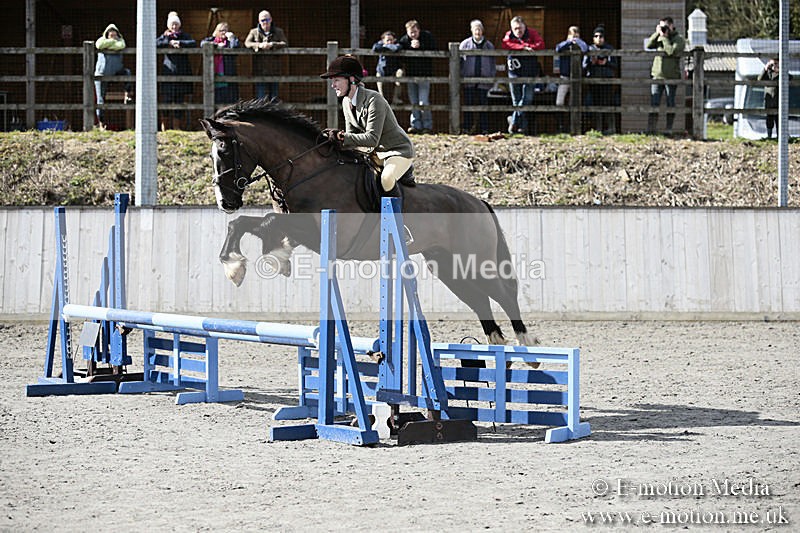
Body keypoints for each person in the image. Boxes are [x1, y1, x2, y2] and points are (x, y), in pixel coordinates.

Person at [320, 55, 415, 197]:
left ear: (352, 79)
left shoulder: (374, 99)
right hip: (374, 153)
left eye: (336, 80)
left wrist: (342, 136)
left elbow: (372, 138)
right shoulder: (346, 102)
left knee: (386, 179)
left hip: (396, 151)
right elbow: (351, 135)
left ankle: (394, 219)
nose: (333, 85)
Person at [502, 16, 545, 135]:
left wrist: (530, 47)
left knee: (527, 99)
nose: (518, 31)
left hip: (530, 72)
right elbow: (506, 44)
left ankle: (513, 120)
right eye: (515, 29)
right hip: (514, 73)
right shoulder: (509, 34)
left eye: (520, 28)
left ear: (524, 27)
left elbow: (541, 44)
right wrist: (523, 48)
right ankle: (522, 128)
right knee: (516, 100)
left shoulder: (532, 33)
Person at [156, 11, 196, 130]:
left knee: (179, 99)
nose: (174, 27)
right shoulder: (165, 36)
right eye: (172, 25)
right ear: (168, 25)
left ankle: (177, 127)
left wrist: (180, 42)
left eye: (176, 24)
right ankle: (165, 127)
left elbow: (193, 43)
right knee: (167, 100)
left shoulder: (184, 36)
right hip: (168, 72)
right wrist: (168, 41)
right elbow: (156, 43)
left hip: (182, 71)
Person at [646, 16, 685, 134]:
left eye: (665, 26)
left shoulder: (678, 39)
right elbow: (649, 45)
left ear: (672, 26)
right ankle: (651, 129)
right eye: (661, 26)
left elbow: (671, 51)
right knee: (654, 103)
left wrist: (664, 38)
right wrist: (657, 33)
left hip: (671, 77)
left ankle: (669, 129)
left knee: (670, 103)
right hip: (657, 75)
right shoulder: (659, 36)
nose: (664, 29)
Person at [398, 20, 436, 134]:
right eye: (411, 32)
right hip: (411, 75)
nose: (413, 35)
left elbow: (434, 49)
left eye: (415, 32)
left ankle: (427, 126)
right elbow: (400, 56)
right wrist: (409, 48)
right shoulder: (404, 40)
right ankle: (416, 126)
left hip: (424, 74)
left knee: (423, 102)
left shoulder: (427, 36)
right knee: (413, 101)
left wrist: (420, 46)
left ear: (418, 30)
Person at [459, 19, 496, 134]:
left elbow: (493, 62)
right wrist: (461, 76)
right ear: (471, 30)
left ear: (482, 30)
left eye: (479, 29)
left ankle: (484, 129)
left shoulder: (489, 46)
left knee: (483, 106)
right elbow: (458, 63)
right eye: (475, 29)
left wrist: (491, 76)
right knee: (468, 105)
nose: (477, 32)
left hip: (484, 81)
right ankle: (467, 128)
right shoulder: (465, 44)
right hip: (468, 80)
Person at [94, 23, 132, 129]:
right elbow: (99, 45)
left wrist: (110, 45)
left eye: (115, 34)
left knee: (127, 73)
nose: (113, 35)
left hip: (116, 72)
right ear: (106, 34)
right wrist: (111, 42)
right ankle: (101, 124)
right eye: (110, 34)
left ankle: (127, 94)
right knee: (100, 99)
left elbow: (121, 46)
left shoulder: (120, 41)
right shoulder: (101, 40)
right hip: (101, 74)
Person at [245, 10, 288, 101]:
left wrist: (272, 45)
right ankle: (261, 115)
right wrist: (259, 45)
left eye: (267, 20)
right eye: (263, 20)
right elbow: (247, 43)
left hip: (274, 70)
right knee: (261, 99)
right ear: (259, 21)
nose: (265, 22)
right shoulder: (254, 32)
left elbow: (284, 43)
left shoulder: (278, 31)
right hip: (260, 70)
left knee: (274, 98)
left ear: (271, 20)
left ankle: (273, 115)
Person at [584, 25, 618, 134]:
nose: (599, 38)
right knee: (596, 105)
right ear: (593, 38)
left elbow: (615, 65)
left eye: (601, 36)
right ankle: (598, 129)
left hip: (607, 80)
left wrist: (606, 63)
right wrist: (591, 62)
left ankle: (611, 128)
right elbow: (584, 65)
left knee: (608, 104)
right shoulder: (589, 49)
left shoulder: (609, 49)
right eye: (596, 36)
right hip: (593, 81)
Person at [554, 26, 588, 132]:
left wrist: (578, 41)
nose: (574, 37)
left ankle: (572, 127)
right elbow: (558, 48)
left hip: (576, 79)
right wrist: (569, 41)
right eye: (572, 34)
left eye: (576, 35)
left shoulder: (580, 44)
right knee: (559, 102)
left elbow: (585, 49)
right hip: (564, 77)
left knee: (574, 103)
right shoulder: (564, 45)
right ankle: (560, 126)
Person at [202, 22, 240, 105]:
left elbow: (235, 47)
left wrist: (232, 38)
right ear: (216, 32)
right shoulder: (211, 40)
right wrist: (217, 46)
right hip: (214, 74)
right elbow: (203, 44)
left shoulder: (231, 41)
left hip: (228, 73)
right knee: (216, 100)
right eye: (221, 30)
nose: (223, 32)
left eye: (225, 30)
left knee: (229, 101)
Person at [372, 31, 402, 104]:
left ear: (394, 40)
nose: (389, 42)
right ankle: (382, 99)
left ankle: (396, 98)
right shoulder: (379, 44)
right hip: (382, 70)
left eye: (391, 40)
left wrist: (387, 47)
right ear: (383, 40)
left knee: (400, 73)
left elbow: (398, 47)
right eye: (387, 40)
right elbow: (375, 48)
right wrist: (387, 47)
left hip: (394, 70)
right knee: (378, 75)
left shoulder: (397, 44)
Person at [758, 58, 780, 139]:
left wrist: (780, 70)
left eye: (776, 64)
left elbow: (790, 77)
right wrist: (765, 68)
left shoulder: (782, 74)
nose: (774, 66)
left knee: (779, 120)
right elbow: (759, 79)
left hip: (780, 101)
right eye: (773, 64)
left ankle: (780, 136)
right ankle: (769, 136)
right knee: (769, 120)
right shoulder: (768, 74)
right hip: (769, 101)